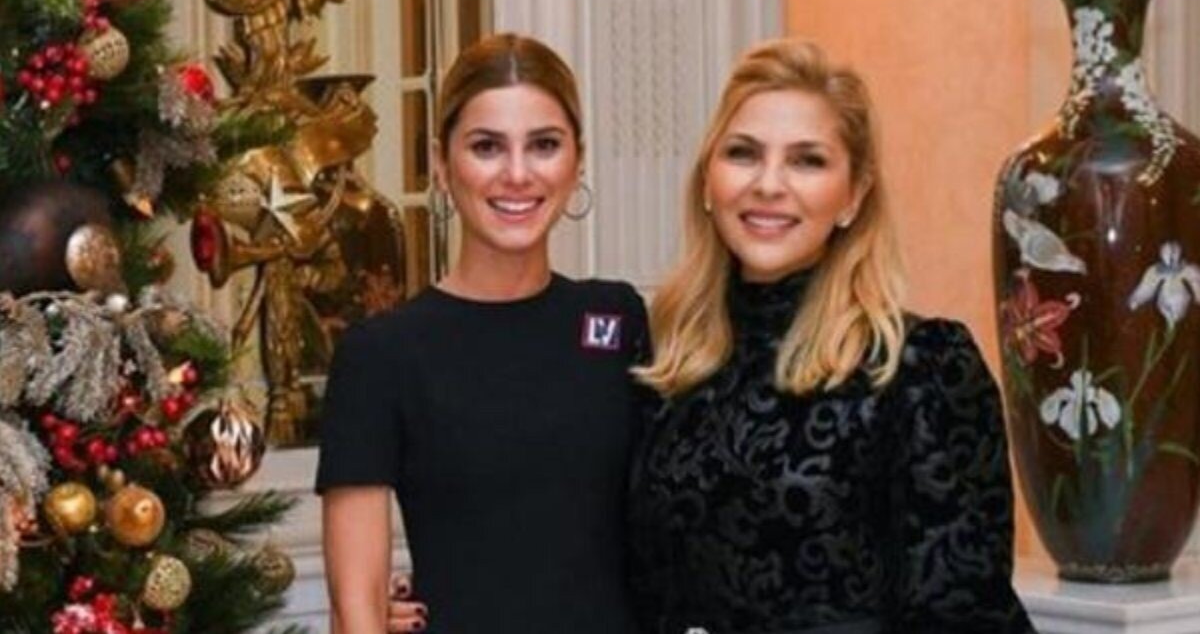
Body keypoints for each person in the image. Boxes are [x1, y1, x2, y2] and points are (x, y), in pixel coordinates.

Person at [626, 38, 1033, 633]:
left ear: (854, 195)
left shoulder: (921, 367)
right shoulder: (668, 364)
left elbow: (963, 617)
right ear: (708, 182)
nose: (768, 184)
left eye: (807, 161)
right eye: (743, 153)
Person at [316, 32, 646, 634]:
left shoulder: (617, 319)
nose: (517, 173)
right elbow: (355, 611)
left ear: (578, 160)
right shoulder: (380, 356)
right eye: (487, 146)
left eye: (544, 144)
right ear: (441, 166)